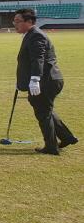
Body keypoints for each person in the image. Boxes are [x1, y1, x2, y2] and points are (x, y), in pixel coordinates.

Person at [14, 8, 78, 155]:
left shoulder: (36, 36)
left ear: (29, 22)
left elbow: (38, 59)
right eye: (14, 21)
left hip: (47, 80)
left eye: (18, 21)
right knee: (45, 110)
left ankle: (51, 146)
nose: (14, 24)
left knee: (43, 112)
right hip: (46, 80)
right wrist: (22, 80)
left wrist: (35, 79)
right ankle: (67, 137)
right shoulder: (30, 35)